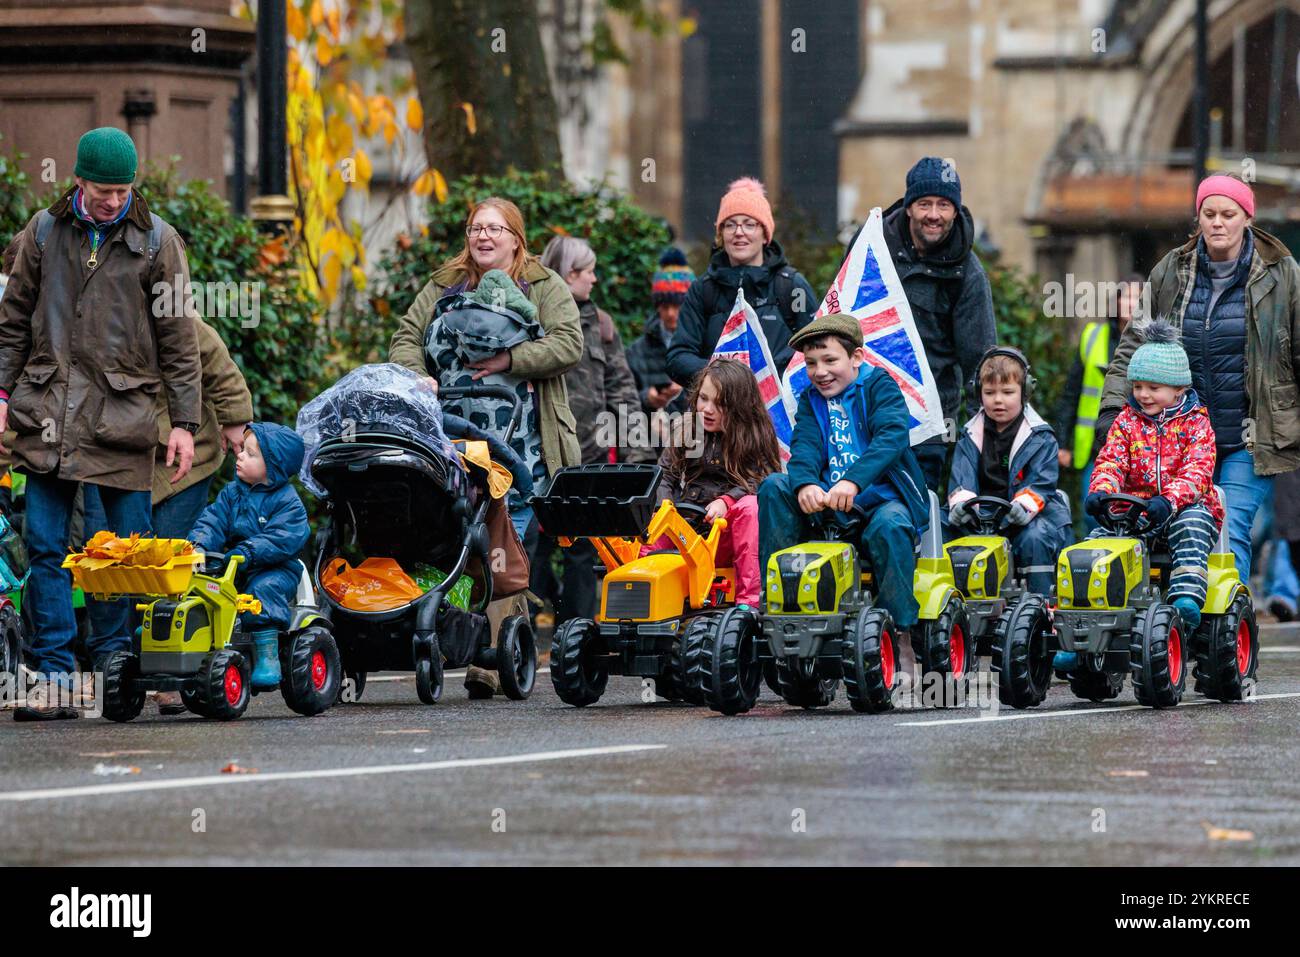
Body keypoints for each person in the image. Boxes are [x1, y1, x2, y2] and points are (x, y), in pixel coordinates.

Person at [0, 127, 201, 721]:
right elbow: (12, 321)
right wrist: (3, 390)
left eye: (123, 190)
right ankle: (57, 677)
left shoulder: (157, 242)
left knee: (129, 556)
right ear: (78, 182)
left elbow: (179, 339)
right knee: (45, 548)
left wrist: (184, 422)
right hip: (48, 414)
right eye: (104, 189)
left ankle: (125, 672)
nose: (114, 200)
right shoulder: (42, 232)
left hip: (122, 418)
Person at [389, 196, 581, 697]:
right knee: (457, 535)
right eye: (476, 228)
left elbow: (567, 343)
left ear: (516, 238)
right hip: (449, 437)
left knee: (504, 538)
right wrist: (416, 376)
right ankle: (465, 638)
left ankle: (493, 658)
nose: (484, 237)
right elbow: (405, 338)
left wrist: (508, 359)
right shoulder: (442, 284)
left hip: (520, 437)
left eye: (495, 229)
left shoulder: (543, 284)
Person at [1097, 174, 1300, 582]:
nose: (1218, 223)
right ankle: (1179, 631)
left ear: (1247, 218)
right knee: (1178, 529)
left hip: (1249, 435)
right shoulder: (1172, 270)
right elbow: (1133, 346)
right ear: (1199, 217)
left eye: (1229, 214)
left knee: (1230, 528)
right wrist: (1114, 407)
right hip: (1180, 435)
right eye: (1209, 213)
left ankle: (1229, 635)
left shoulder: (1282, 274)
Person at [83, 319, 253, 713]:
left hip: (184, 461)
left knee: (169, 565)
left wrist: (234, 420)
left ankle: (170, 670)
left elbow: (217, 364)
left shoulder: (168, 311)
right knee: (104, 563)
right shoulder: (89, 314)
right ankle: (111, 665)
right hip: (110, 454)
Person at [758, 314, 929, 642]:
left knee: (890, 526)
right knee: (774, 487)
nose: (819, 372)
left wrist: (853, 481)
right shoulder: (811, 400)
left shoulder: (879, 386)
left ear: (856, 357)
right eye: (810, 363)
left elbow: (891, 437)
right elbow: (804, 446)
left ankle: (900, 632)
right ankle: (781, 599)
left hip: (880, 502)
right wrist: (806, 483)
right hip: (828, 507)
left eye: (829, 360)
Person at [842, 157, 996, 493]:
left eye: (944, 205)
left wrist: (982, 444)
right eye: (924, 203)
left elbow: (980, 365)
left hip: (928, 420)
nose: (934, 215)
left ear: (956, 210)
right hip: (860, 410)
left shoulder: (968, 273)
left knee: (915, 515)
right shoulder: (871, 244)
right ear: (909, 206)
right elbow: (838, 318)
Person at [1075, 319, 1222, 671]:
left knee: (1192, 523)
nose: (1143, 394)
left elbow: (1198, 472)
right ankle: (1082, 634)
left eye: (1153, 387)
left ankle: (1186, 595)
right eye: (1138, 386)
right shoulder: (1127, 422)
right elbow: (1111, 460)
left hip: (1182, 507)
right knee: (1095, 547)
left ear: (1178, 389)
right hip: (1136, 512)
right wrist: (1102, 491)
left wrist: (1169, 500)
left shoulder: (1196, 424)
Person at [535, 235, 640, 624]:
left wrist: (632, 456)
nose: (594, 280)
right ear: (569, 274)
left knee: (582, 551)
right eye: (589, 272)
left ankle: (574, 637)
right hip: (538, 456)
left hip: (587, 460)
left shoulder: (602, 324)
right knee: (532, 548)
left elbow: (621, 389)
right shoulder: (531, 315)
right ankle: (521, 634)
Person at [646, 359, 780, 608]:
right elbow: (665, 474)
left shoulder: (756, 432)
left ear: (740, 407)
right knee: (655, 525)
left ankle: (748, 603)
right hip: (688, 529)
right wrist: (664, 505)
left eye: (719, 404)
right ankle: (640, 595)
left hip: (726, 535)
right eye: (703, 399)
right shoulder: (687, 428)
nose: (707, 409)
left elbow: (764, 476)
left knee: (751, 506)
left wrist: (727, 501)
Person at [666, 178, 816, 391]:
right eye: (730, 225)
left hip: (780, 414)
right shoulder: (702, 290)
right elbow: (678, 358)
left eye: (749, 224)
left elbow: (815, 348)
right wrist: (724, 379)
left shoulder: (792, 287)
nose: (739, 232)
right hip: (717, 413)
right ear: (720, 235)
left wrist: (770, 381)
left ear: (765, 235)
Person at [189, 423, 308, 691]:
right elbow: (212, 521)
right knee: (198, 590)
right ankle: (185, 644)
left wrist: (248, 551)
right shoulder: (231, 494)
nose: (240, 455)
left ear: (274, 468)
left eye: (251, 454)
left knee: (262, 590)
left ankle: (267, 656)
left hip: (274, 569)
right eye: (242, 449)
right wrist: (198, 545)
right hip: (231, 566)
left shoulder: (288, 503)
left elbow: (283, 538)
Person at [947, 347, 1070, 596]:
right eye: (989, 393)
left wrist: (1023, 506)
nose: (998, 400)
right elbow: (961, 477)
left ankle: (1041, 603)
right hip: (980, 515)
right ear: (978, 394)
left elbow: (1043, 483)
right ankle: (951, 604)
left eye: (1008, 392)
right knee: (937, 527)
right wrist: (961, 503)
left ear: (1025, 392)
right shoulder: (969, 434)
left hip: (1029, 516)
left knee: (1034, 538)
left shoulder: (1040, 437)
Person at [1054, 273, 1144, 533]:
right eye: (1125, 296)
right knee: (1093, 512)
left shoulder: (1153, 341)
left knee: (1132, 515)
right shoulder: (1093, 336)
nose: (1130, 304)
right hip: (1095, 444)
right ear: (1115, 301)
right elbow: (1071, 393)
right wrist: (1062, 442)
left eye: (1137, 298)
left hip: (1138, 446)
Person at [625, 247, 693, 462]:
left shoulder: (703, 344)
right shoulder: (637, 350)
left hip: (694, 446)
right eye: (664, 306)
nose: (671, 313)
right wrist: (648, 397)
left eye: (677, 305)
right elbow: (622, 396)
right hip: (650, 448)